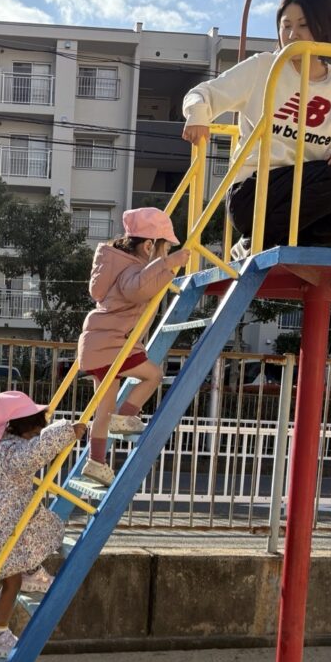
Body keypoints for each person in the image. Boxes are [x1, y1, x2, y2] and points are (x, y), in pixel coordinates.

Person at [182, 0, 331, 256]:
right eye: (285, 25)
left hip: (308, 194)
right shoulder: (265, 67)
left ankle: (272, 241)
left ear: (325, 25)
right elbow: (202, 93)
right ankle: (260, 241)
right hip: (254, 193)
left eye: (303, 25)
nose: (292, 35)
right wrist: (197, 115)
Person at [77, 208, 190, 486]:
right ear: (149, 246)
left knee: (103, 409)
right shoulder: (132, 268)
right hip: (113, 342)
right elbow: (137, 289)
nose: (165, 255)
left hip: (98, 342)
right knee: (153, 375)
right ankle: (125, 417)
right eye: (164, 249)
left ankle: (95, 462)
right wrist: (169, 264)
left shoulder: (118, 264)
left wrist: (164, 265)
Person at [0, 391, 87, 659]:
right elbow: (37, 451)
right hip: (4, 517)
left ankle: (31, 572)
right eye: (36, 429)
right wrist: (68, 431)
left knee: (25, 542)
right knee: (15, 576)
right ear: (22, 426)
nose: (37, 434)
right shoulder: (13, 451)